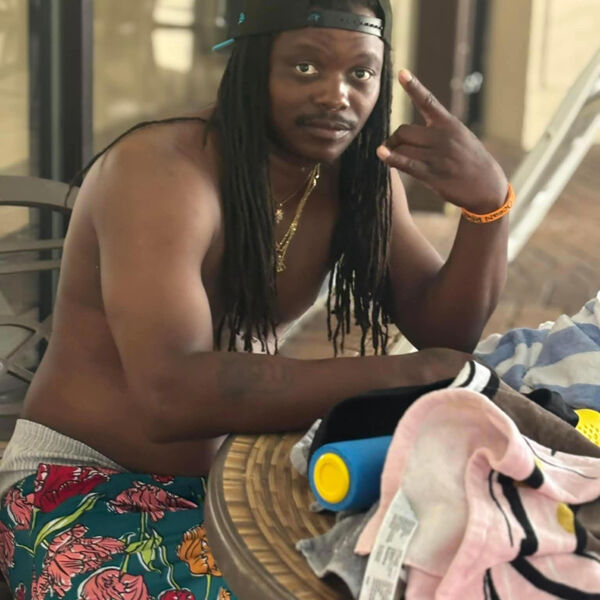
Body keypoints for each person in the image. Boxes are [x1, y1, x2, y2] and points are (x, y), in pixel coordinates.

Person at [0, 1, 513, 598]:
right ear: (250, 66)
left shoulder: (356, 178)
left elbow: (445, 334)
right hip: (78, 490)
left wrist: (488, 204)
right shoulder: (160, 170)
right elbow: (171, 395)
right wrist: (413, 373)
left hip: (237, 487)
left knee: (443, 560)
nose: (337, 95)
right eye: (305, 67)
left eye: (361, 73)